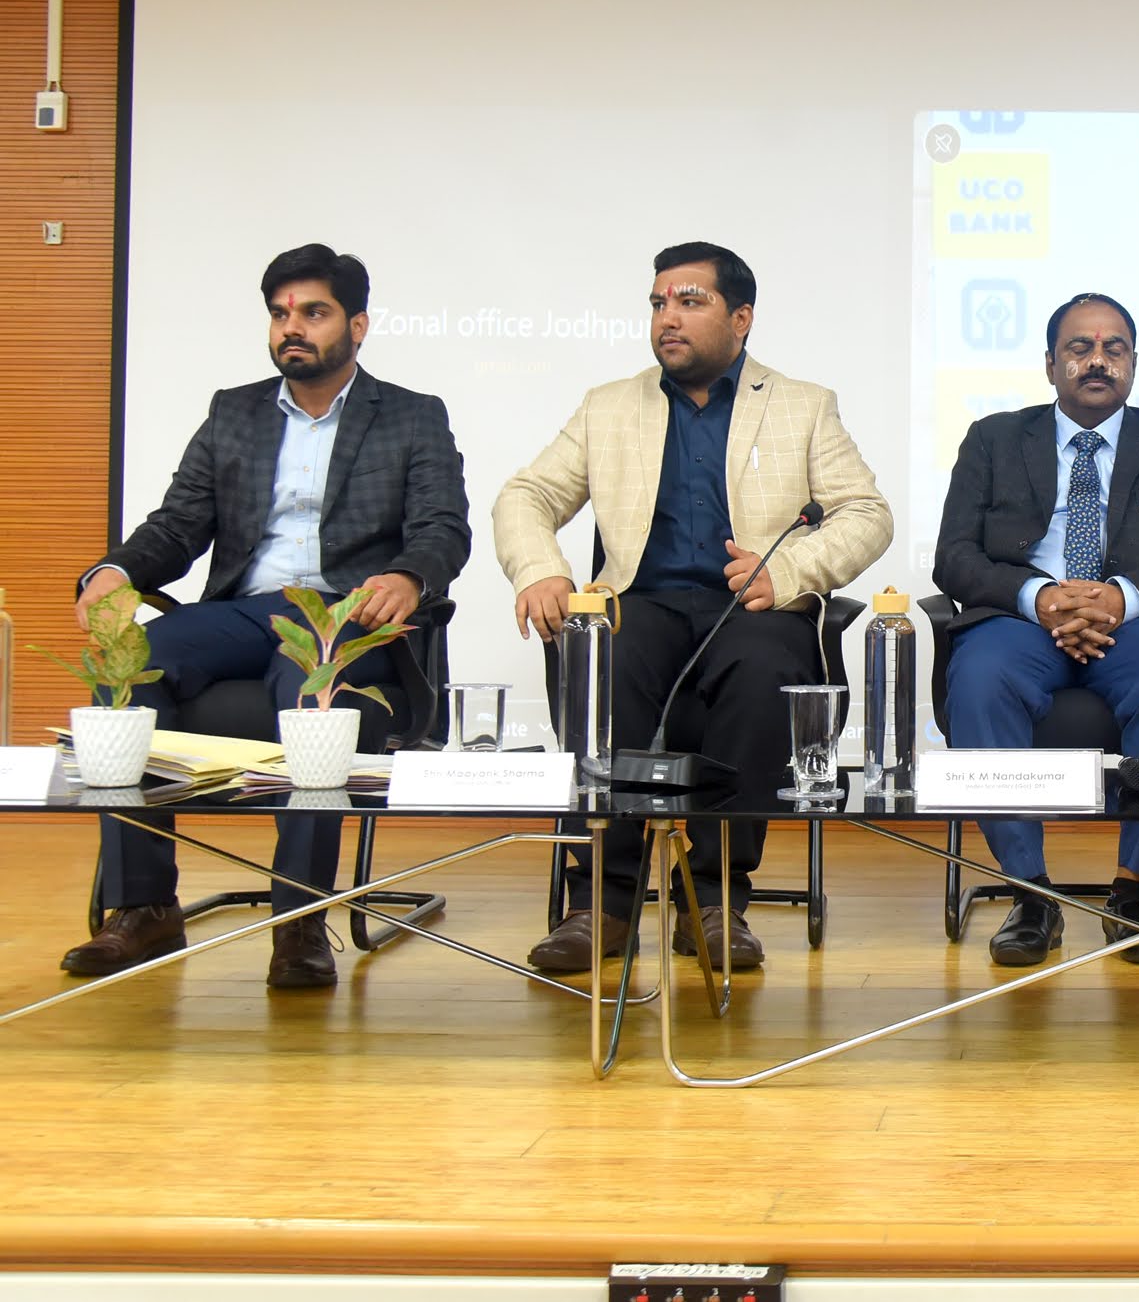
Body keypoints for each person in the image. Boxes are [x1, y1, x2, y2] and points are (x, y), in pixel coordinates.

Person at [59, 244, 470, 989]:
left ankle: (299, 917)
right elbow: (178, 525)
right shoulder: (235, 411)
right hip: (245, 612)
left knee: (310, 685)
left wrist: (409, 576)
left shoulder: (412, 416)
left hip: (343, 615)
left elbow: (442, 527)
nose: (292, 328)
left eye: (314, 312)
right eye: (280, 314)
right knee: (129, 665)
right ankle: (144, 905)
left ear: (357, 326)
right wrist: (116, 572)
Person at [496, 241, 891, 974]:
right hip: (639, 603)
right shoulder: (610, 405)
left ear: (741, 319)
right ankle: (601, 903)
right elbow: (528, 495)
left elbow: (867, 512)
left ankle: (712, 902)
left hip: (752, 608)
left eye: (689, 302)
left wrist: (790, 570)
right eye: (658, 304)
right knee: (603, 656)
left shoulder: (802, 405)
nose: (667, 318)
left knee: (763, 667)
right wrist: (542, 570)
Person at [933, 293, 1139, 966]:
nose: (1098, 360)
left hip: (1134, 623)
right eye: (1080, 348)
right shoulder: (993, 439)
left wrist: (1122, 597)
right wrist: (1039, 597)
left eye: (1114, 348)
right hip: (1021, 619)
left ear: (1132, 362)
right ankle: (1030, 894)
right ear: (1051, 365)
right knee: (981, 677)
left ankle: (1132, 892)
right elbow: (953, 558)